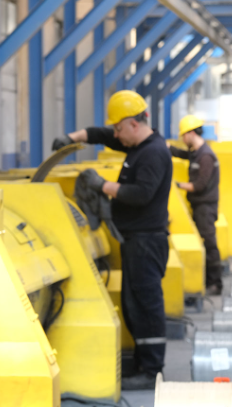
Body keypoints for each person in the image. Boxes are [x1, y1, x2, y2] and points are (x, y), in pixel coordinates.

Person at [51, 90, 172, 391]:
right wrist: (72, 138)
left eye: (119, 129)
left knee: (145, 304)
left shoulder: (153, 153)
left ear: (134, 124)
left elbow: (141, 194)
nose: (116, 136)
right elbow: (103, 134)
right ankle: (143, 363)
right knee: (133, 304)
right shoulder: (136, 143)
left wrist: (102, 185)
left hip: (147, 241)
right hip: (135, 240)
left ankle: (152, 370)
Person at [170, 115, 222, 295]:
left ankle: (215, 283)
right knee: (204, 243)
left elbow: (199, 185)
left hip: (205, 207)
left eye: (183, 135)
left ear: (191, 134)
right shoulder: (197, 153)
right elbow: (183, 154)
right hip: (199, 206)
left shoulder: (205, 156)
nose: (183, 139)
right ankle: (207, 280)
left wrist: (176, 185)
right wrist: (167, 148)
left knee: (209, 244)